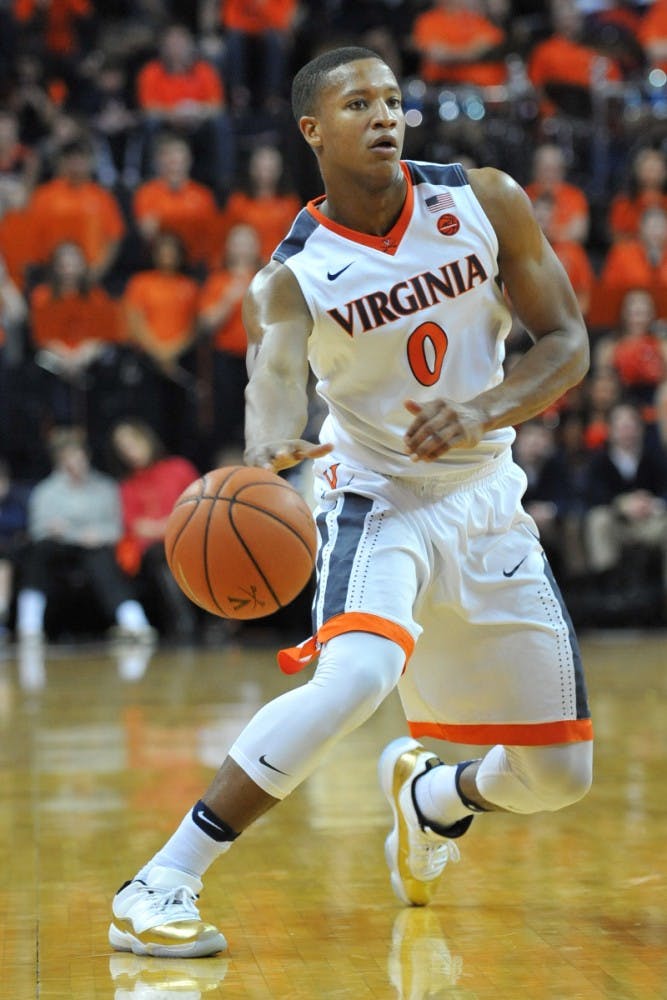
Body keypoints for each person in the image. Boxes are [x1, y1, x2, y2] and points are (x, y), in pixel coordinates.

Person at [109, 46, 593, 959]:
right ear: (311, 130)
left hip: (487, 495)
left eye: (393, 100)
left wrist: (482, 410)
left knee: (557, 777)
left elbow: (566, 343)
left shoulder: (483, 200)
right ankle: (159, 881)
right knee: (357, 677)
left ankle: (431, 799)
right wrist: (268, 444)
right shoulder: (290, 274)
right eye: (359, 103)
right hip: (374, 496)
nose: (384, 115)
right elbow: (276, 375)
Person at [15, 426, 155, 644]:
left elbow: (116, 527)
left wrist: (92, 533)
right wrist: (72, 533)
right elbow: (39, 529)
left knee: (101, 558)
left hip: (96, 547)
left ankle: (134, 622)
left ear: (86, 456)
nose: (74, 463)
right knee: (39, 552)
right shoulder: (46, 491)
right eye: (66, 458)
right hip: (58, 550)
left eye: (77, 456)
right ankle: (29, 626)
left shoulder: (106, 487)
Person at [109, 419, 200, 643]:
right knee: (160, 553)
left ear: (146, 439)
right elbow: (136, 526)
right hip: (154, 551)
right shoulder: (128, 485)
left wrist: (161, 526)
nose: (130, 452)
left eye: (133, 444)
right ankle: (184, 622)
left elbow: (200, 506)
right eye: (123, 449)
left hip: (193, 538)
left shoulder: (179, 468)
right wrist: (170, 525)